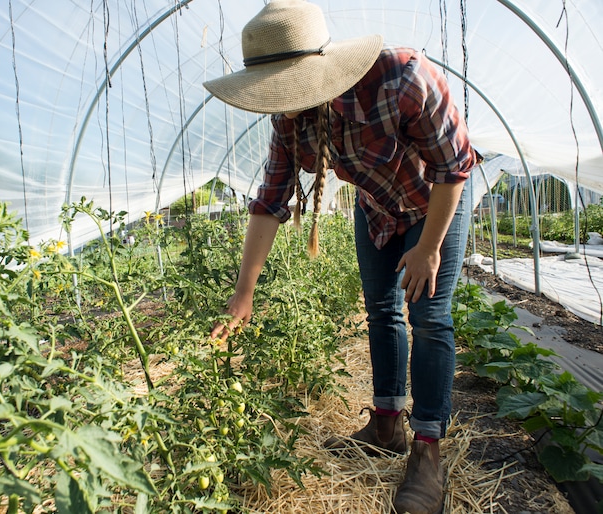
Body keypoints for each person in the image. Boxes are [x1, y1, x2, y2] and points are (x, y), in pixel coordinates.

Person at [204, 1, 481, 513]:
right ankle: (386, 423)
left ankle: (427, 450)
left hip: (433, 203)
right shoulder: (290, 123)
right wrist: (243, 296)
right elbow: (269, 202)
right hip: (377, 208)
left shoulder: (402, 76)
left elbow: (455, 166)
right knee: (380, 310)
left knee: (429, 315)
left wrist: (428, 248)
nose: (279, 104)